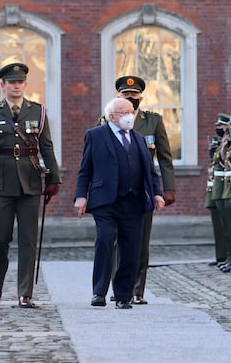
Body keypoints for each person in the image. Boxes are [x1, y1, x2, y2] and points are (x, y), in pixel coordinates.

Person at [0, 61, 62, 308]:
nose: (16, 86)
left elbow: (46, 147)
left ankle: (25, 293)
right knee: (0, 238)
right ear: (3, 85)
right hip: (1, 183)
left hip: (30, 182)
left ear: (25, 84)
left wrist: (54, 177)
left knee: (28, 239)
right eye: (11, 83)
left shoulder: (38, 112)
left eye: (20, 82)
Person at [75, 98, 166, 309]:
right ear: (112, 116)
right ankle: (99, 291)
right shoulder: (95, 136)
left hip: (133, 202)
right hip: (105, 201)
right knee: (105, 240)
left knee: (131, 247)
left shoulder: (139, 139)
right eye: (124, 112)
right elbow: (85, 170)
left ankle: (123, 294)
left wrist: (157, 194)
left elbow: (150, 172)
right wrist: (81, 195)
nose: (129, 116)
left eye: (131, 112)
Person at [103, 75, 176, 305]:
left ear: (141, 98)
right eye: (126, 95)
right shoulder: (107, 119)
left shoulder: (152, 122)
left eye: (134, 95)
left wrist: (169, 187)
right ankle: (119, 287)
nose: (130, 99)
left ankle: (137, 289)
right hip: (114, 190)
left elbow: (164, 157)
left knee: (140, 242)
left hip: (142, 189)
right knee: (115, 242)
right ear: (119, 96)